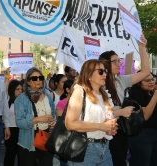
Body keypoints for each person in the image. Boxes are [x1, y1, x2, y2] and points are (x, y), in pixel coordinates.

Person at [98, 34, 149, 166]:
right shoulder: (98, 84)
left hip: (121, 130)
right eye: (115, 61)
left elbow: (145, 72)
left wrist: (142, 48)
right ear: (105, 64)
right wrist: (120, 111)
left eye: (119, 61)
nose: (118, 64)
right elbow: (97, 112)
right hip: (103, 131)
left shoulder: (121, 80)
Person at [66, 59, 118, 166]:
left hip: (105, 149)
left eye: (105, 71)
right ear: (89, 75)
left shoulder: (105, 95)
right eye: (100, 71)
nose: (104, 74)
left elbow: (107, 120)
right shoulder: (80, 92)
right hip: (85, 149)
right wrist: (101, 126)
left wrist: (111, 126)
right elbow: (69, 123)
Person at [14, 67, 56, 166]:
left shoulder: (47, 95)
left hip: (46, 139)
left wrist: (53, 123)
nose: (38, 80)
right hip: (29, 141)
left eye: (40, 77)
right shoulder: (21, 99)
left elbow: (53, 115)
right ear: (28, 82)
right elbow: (19, 122)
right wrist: (37, 119)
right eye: (34, 78)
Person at [127, 72, 157, 166]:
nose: (151, 82)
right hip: (142, 134)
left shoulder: (152, 94)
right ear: (139, 82)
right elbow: (145, 116)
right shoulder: (135, 94)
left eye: (152, 79)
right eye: (147, 80)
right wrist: (155, 96)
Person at [4, 80, 23, 166]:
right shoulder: (7, 100)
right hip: (10, 130)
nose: (20, 91)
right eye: (17, 89)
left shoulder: (24, 101)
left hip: (22, 130)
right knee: (10, 155)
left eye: (21, 89)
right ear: (12, 90)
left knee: (21, 155)